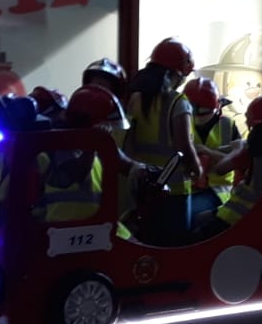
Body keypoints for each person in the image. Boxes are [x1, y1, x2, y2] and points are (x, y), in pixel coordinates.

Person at [192, 94, 262, 242]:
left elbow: (220, 169)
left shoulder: (250, 150)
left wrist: (237, 148)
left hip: (241, 217)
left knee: (197, 230)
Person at [124, 38, 205, 242]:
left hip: (142, 187)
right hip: (173, 191)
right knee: (175, 246)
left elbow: (128, 141)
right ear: (177, 73)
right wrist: (197, 169)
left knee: (147, 243)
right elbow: (184, 146)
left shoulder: (136, 98)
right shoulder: (178, 102)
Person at [38, 85, 133, 240]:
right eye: (107, 127)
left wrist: (141, 171)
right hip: (64, 236)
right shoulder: (54, 149)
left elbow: (124, 163)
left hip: (95, 231)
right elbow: (76, 174)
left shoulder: (97, 148)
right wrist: (93, 144)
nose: (110, 132)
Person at [183, 77, 241, 203]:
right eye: (193, 112)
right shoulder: (181, 123)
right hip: (187, 188)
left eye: (204, 112)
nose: (198, 118)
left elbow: (239, 161)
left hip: (218, 189)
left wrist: (208, 152)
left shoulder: (228, 126)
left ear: (218, 107)